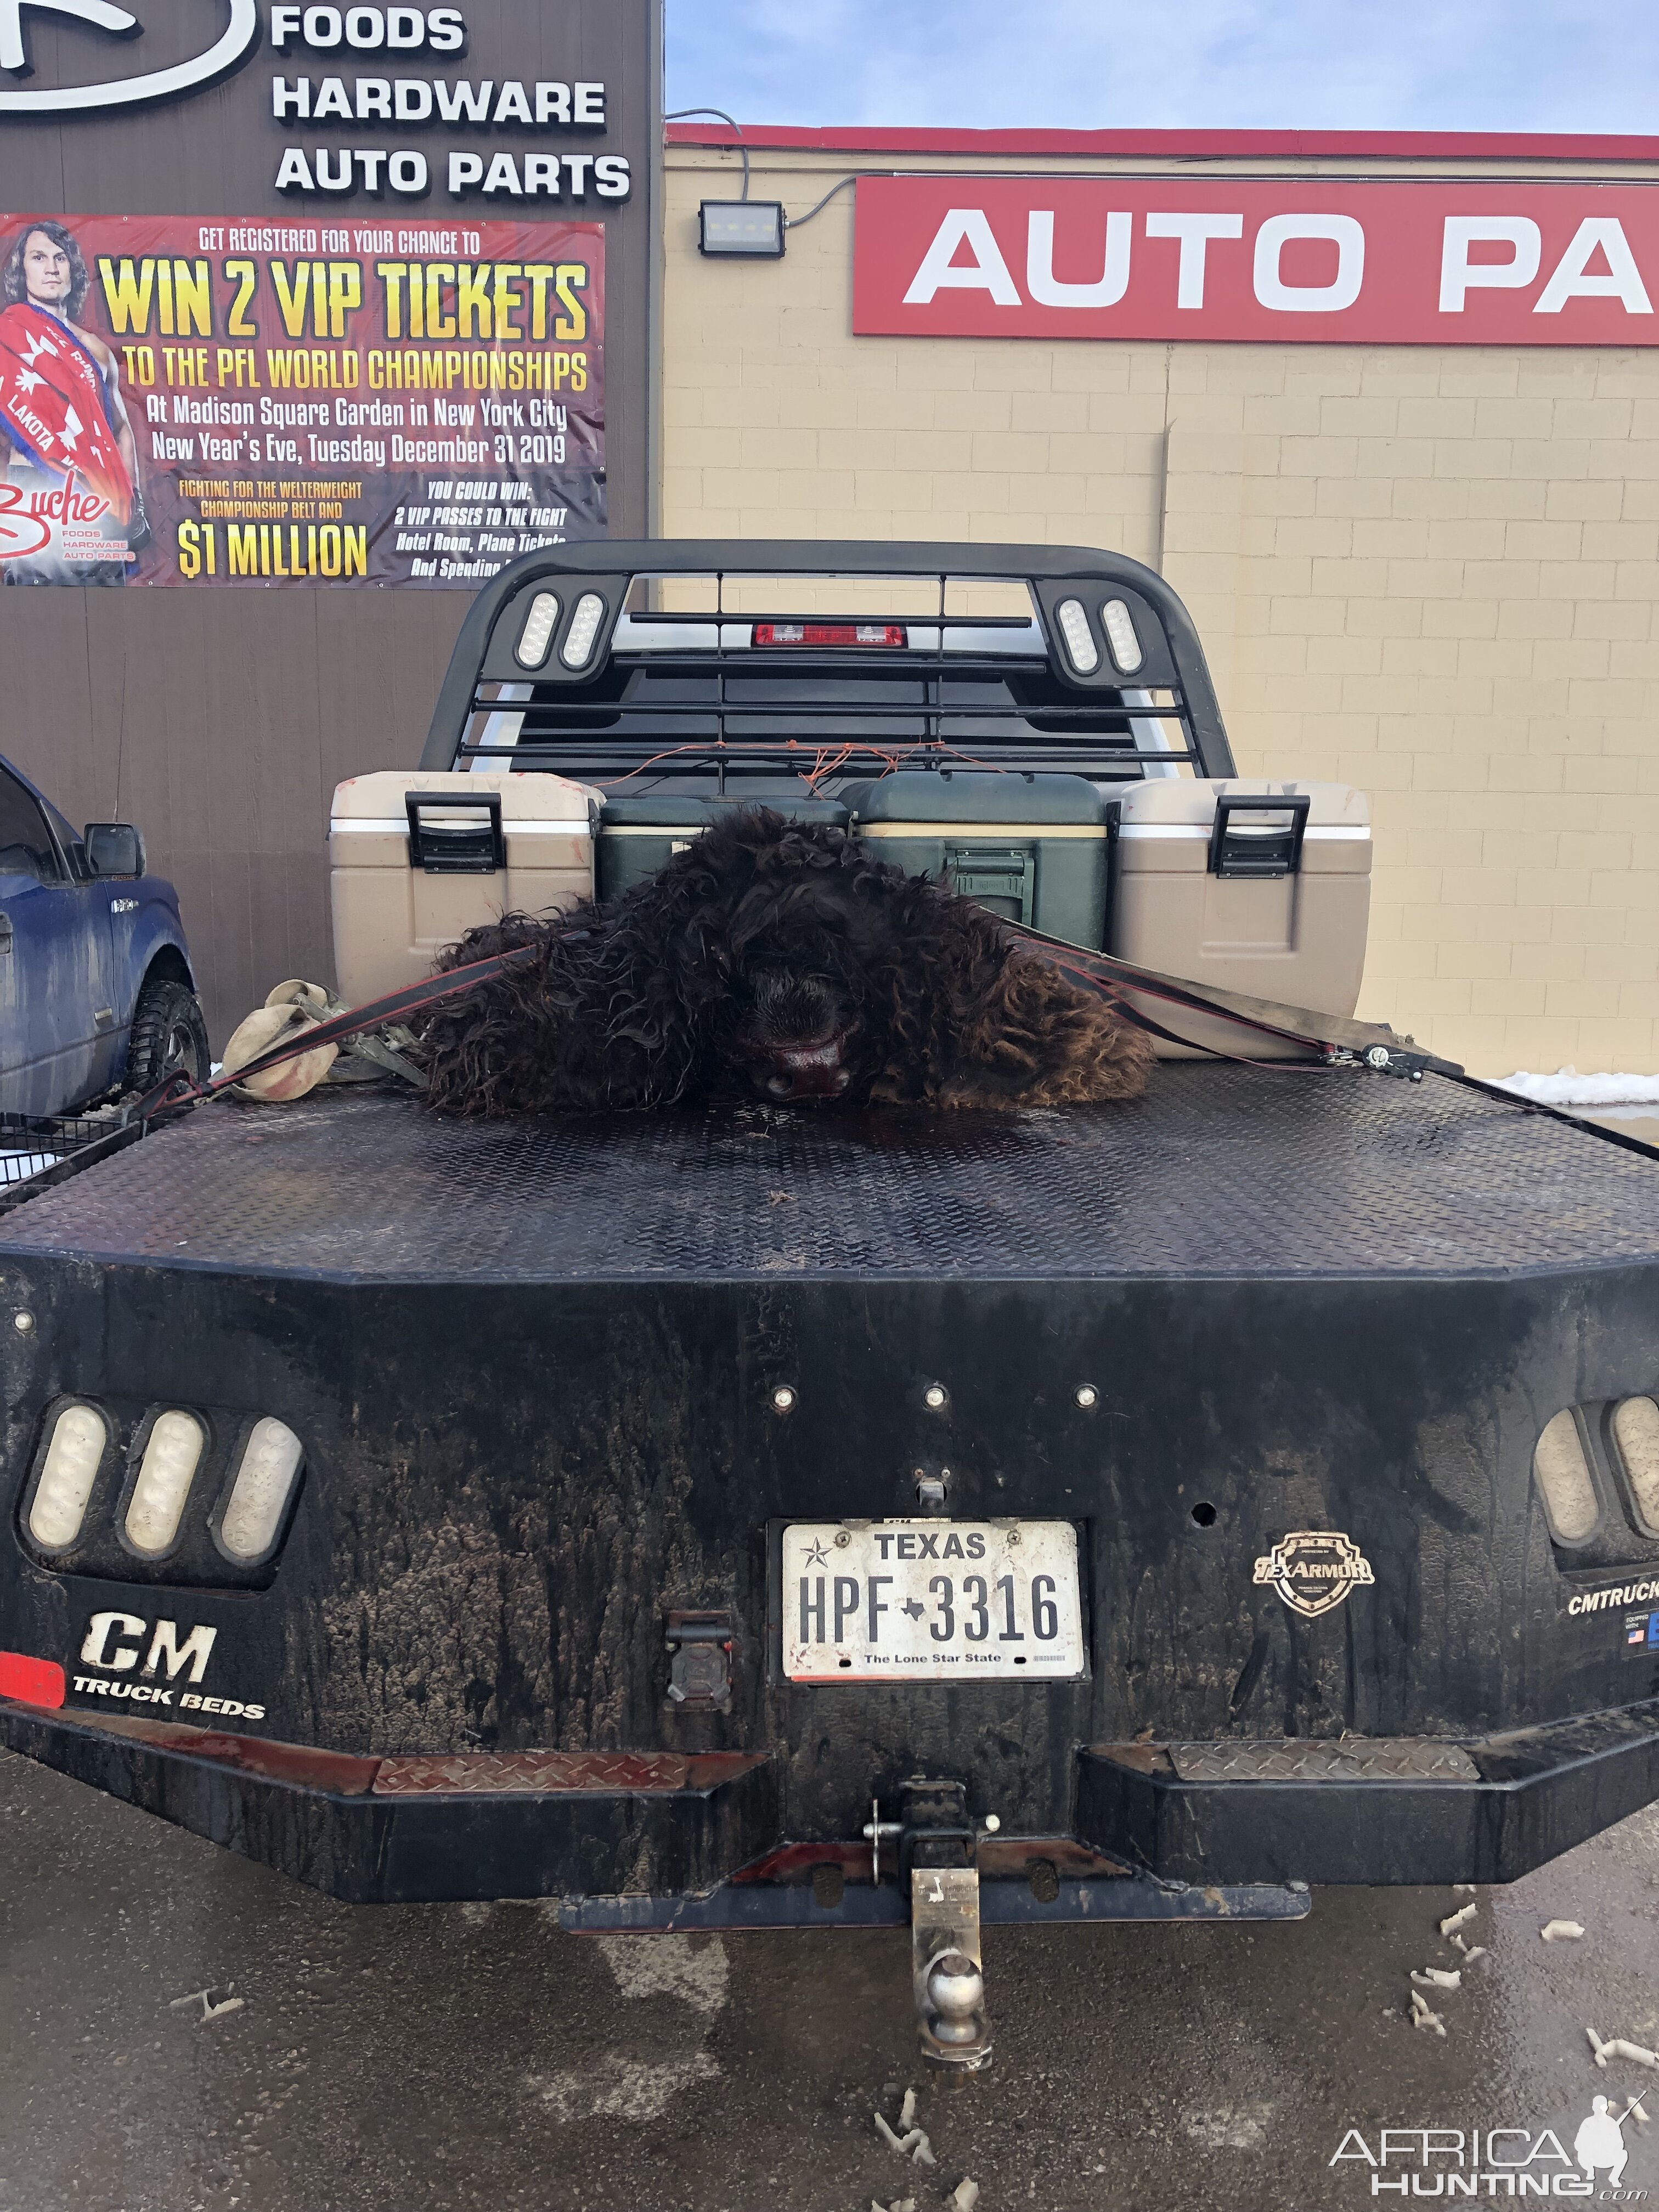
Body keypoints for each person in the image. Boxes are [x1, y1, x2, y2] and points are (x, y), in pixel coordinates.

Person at [0, 219, 146, 584]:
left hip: (97, 500)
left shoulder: (96, 350)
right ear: (22, 269)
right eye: (39, 257)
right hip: (33, 492)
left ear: (73, 270)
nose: (51, 267)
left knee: (104, 614)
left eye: (60, 258)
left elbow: (121, 431)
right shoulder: (7, 335)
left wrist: (135, 502)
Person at [1574, 2095, 1629, 2188]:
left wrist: (1609, 2142)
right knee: (1581, 2154)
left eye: (1602, 2106)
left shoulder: (1612, 2123)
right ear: (1593, 2108)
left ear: (1606, 2108)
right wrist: (1591, 2143)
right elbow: (1578, 2144)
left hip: (1607, 2158)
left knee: (1623, 2154)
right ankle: (1590, 2171)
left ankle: (1614, 2178)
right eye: (1597, 2106)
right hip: (1591, 2158)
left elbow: (1620, 2144)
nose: (1600, 2109)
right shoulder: (1587, 2122)